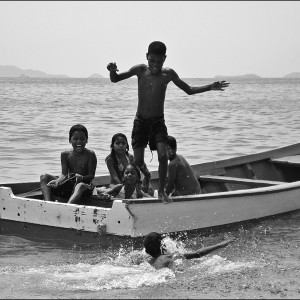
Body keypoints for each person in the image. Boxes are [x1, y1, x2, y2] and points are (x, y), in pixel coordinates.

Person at [107, 41, 229, 204]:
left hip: (158, 122)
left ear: (165, 59)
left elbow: (189, 90)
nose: (155, 65)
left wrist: (210, 87)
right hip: (141, 122)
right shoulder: (140, 70)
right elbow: (115, 79)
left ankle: (162, 192)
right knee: (137, 161)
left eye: (159, 61)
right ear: (146, 57)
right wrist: (112, 71)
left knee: (163, 156)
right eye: (152, 61)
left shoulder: (168, 74)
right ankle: (142, 181)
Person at [40, 124, 97, 204]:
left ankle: (68, 206)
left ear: (87, 140)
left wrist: (82, 178)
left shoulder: (90, 154)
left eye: (82, 139)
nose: (79, 142)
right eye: (75, 139)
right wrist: (57, 181)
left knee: (80, 185)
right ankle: (48, 204)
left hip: (84, 187)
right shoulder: (65, 154)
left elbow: (91, 176)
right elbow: (64, 174)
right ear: (70, 140)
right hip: (69, 185)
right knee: (44, 177)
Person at [143, 232, 236, 270]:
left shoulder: (148, 262)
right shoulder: (168, 257)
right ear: (161, 245)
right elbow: (197, 254)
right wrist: (220, 245)